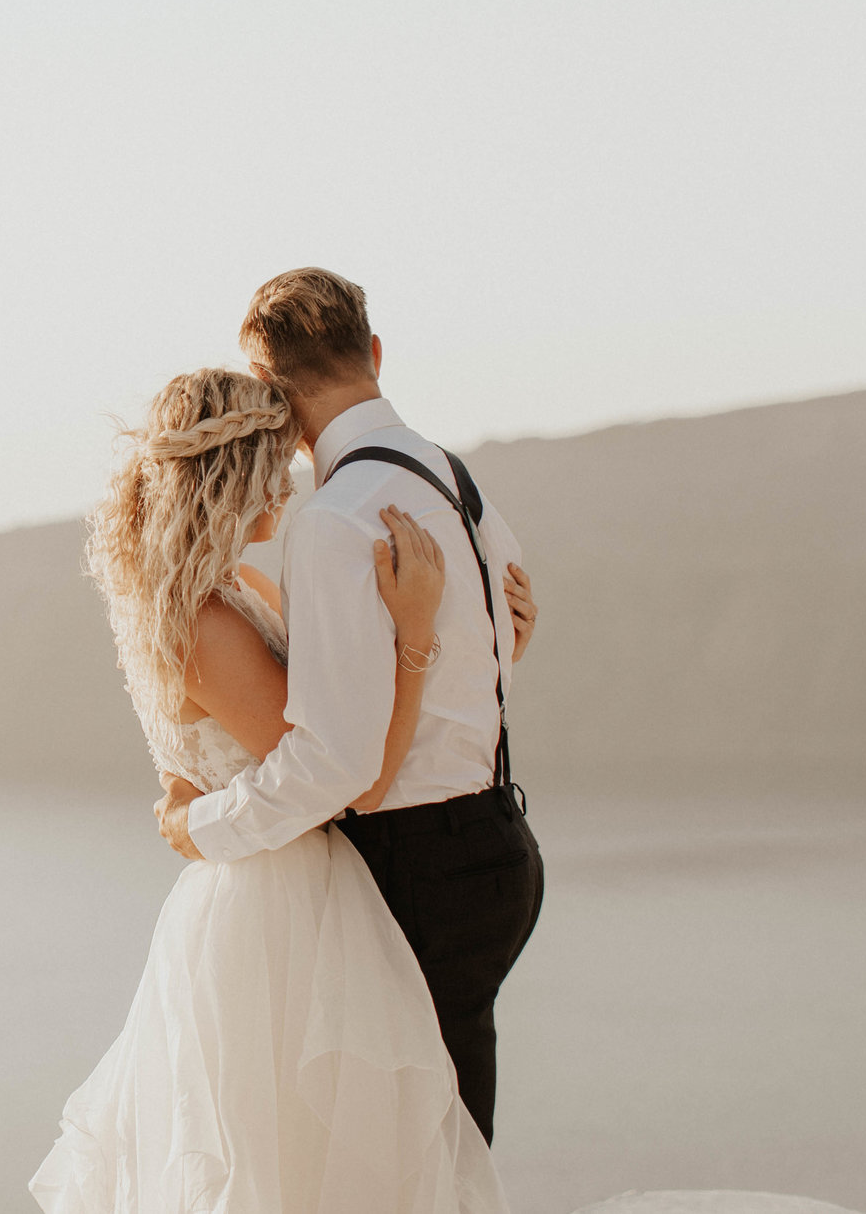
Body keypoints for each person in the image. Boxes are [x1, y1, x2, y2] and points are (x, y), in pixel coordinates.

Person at [31, 362, 515, 1214]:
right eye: (270, 470)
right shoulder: (205, 625)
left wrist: (491, 638)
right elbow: (342, 778)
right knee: (298, 1168)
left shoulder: (226, 593)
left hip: (290, 888)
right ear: (227, 479)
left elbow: (333, 714)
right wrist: (416, 635)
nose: (287, 490)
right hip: (277, 919)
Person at [162, 267, 543, 1142]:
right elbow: (497, 656)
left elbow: (334, 764)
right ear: (373, 351)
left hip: (415, 871)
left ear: (276, 398)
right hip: (499, 841)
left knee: (408, 1155)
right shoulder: (459, 484)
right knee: (448, 1142)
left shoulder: (335, 520)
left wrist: (205, 828)